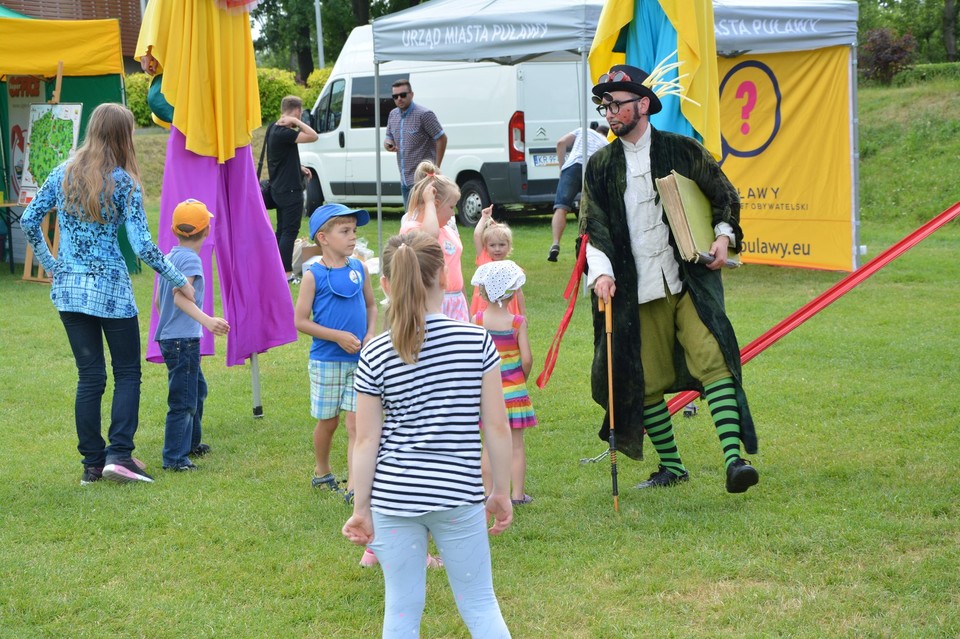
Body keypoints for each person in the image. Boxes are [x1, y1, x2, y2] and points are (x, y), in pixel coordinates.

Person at [581, 64, 759, 493]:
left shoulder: (682, 149)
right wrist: (601, 273)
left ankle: (734, 462)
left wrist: (721, 235)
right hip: (634, 289)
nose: (610, 112)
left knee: (713, 358)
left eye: (618, 104)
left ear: (643, 104)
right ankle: (673, 468)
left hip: (689, 280)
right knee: (645, 379)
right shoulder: (600, 166)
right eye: (605, 105)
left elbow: (724, 196)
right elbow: (592, 226)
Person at [342, 232, 513, 639]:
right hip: (459, 495)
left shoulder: (375, 353)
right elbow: (496, 426)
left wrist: (362, 506)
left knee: (401, 609)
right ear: (444, 277)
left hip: (394, 499)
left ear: (386, 284)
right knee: (480, 603)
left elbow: (366, 441)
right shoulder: (476, 342)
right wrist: (501, 491)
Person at [21, 103, 195, 485]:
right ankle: (120, 455)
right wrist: (179, 277)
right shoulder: (124, 183)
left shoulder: (62, 173)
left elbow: (29, 219)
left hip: (69, 292)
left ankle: (92, 466)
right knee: (127, 373)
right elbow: (144, 247)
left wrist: (53, 267)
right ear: (123, 135)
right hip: (112, 292)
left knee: (90, 377)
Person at [137, 0, 298, 368]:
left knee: (213, 225)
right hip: (218, 107)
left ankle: (231, 330)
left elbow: (155, 51)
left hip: (201, 109)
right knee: (235, 224)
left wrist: (155, 56)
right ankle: (251, 326)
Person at [294, 204, 377, 498]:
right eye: (345, 231)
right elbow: (301, 321)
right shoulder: (313, 275)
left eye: (354, 230)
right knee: (328, 422)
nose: (353, 237)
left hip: (359, 361)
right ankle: (322, 471)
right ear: (324, 238)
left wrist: (369, 334)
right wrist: (337, 337)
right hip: (326, 361)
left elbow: (370, 305)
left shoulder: (360, 268)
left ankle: (354, 486)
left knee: (357, 424)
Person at [154, 199, 230, 472]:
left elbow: (159, 302)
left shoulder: (170, 256)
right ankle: (174, 458)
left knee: (196, 390)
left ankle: (191, 444)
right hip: (182, 341)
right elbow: (180, 299)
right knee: (183, 400)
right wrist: (208, 322)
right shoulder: (190, 260)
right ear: (206, 230)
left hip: (171, 339)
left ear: (175, 229)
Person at [471, 260, 537, 505]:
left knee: (488, 446)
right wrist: (521, 379)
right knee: (516, 446)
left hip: (486, 396)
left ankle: (488, 492)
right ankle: (517, 495)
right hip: (514, 394)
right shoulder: (517, 323)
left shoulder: (476, 321)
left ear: (483, 291)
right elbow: (527, 358)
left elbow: (472, 357)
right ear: (512, 293)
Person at [399, 162, 467, 322]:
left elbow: (456, 269)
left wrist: (466, 306)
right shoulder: (412, 230)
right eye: (451, 207)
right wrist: (428, 202)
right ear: (435, 205)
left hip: (456, 301)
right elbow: (428, 239)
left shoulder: (448, 230)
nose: (453, 214)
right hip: (431, 303)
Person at [267, 95, 319, 284]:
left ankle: (276, 269)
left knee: (281, 231)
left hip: (278, 188)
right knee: (289, 232)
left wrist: (299, 167)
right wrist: (297, 122)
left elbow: (278, 158)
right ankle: (287, 275)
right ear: (296, 111)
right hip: (290, 191)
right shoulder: (285, 132)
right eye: (299, 113)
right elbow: (314, 136)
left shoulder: (273, 128)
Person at [548, 122, 609, 262]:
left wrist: (562, 166)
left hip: (573, 167)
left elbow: (561, 143)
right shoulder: (606, 142)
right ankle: (589, 241)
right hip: (592, 170)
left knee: (561, 208)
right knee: (590, 208)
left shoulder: (583, 130)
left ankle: (555, 243)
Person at [384, 80, 447, 208]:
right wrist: (388, 144)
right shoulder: (393, 115)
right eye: (395, 96)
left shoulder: (424, 114)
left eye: (403, 95)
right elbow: (388, 138)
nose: (399, 99)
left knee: (425, 221)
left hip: (423, 180)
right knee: (410, 221)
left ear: (411, 94)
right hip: (405, 180)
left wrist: (436, 168)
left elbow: (442, 138)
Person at [469, 206, 526, 318]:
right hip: (485, 312)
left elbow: (519, 293)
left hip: (506, 312)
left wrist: (523, 314)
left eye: (502, 245)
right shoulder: (484, 260)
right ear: (485, 246)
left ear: (509, 246)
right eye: (492, 245)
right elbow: (477, 235)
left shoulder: (511, 268)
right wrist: (484, 217)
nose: (497, 249)